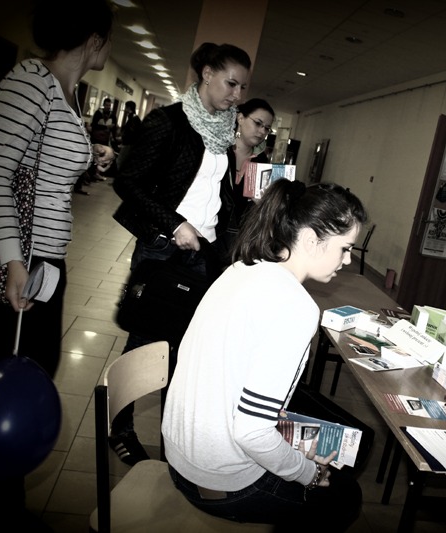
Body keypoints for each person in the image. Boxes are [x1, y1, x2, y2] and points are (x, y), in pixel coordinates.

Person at [0, 0, 115, 529]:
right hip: (17, 265)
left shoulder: (64, 91)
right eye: (109, 39)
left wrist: (89, 155)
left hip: (45, 261)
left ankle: (4, 500)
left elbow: (45, 166)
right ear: (94, 39)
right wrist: (14, 262)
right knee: (10, 387)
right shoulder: (30, 81)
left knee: (35, 371)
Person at [161, 180, 366, 530]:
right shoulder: (296, 307)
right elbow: (252, 433)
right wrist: (309, 473)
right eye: (345, 248)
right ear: (311, 240)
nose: (348, 260)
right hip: (218, 481)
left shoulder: (242, 268)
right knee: (345, 497)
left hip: (179, 456)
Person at [110, 42, 251, 465]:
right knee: (144, 342)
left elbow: (220, 197)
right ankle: (120, 427)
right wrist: (174, 224)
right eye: (231, 84)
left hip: (202, 254)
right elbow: (127, 182)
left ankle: (173, 433)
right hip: (162, 247)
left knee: (185, 347)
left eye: (243, 87)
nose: (237, 95)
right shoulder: (168, 122)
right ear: (207, 74)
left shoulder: (223, 132)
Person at [216, 97, 275, 265]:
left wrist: (263, 201)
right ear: (240, 118)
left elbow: (262, 204)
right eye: (258, 123)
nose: (262, 131)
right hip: (207, 228)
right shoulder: (219, 149)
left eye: (267, 128)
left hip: (237, 236)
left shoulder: (262, 161)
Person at [115, 100, 141, 170]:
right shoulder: (134, 118)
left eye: (126, 107)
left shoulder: (133, 119)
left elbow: (131, 133)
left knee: (120, 161)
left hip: (128, 144)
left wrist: (123, 139)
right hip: (130, 144)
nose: (125, 109)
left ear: (129, 108)